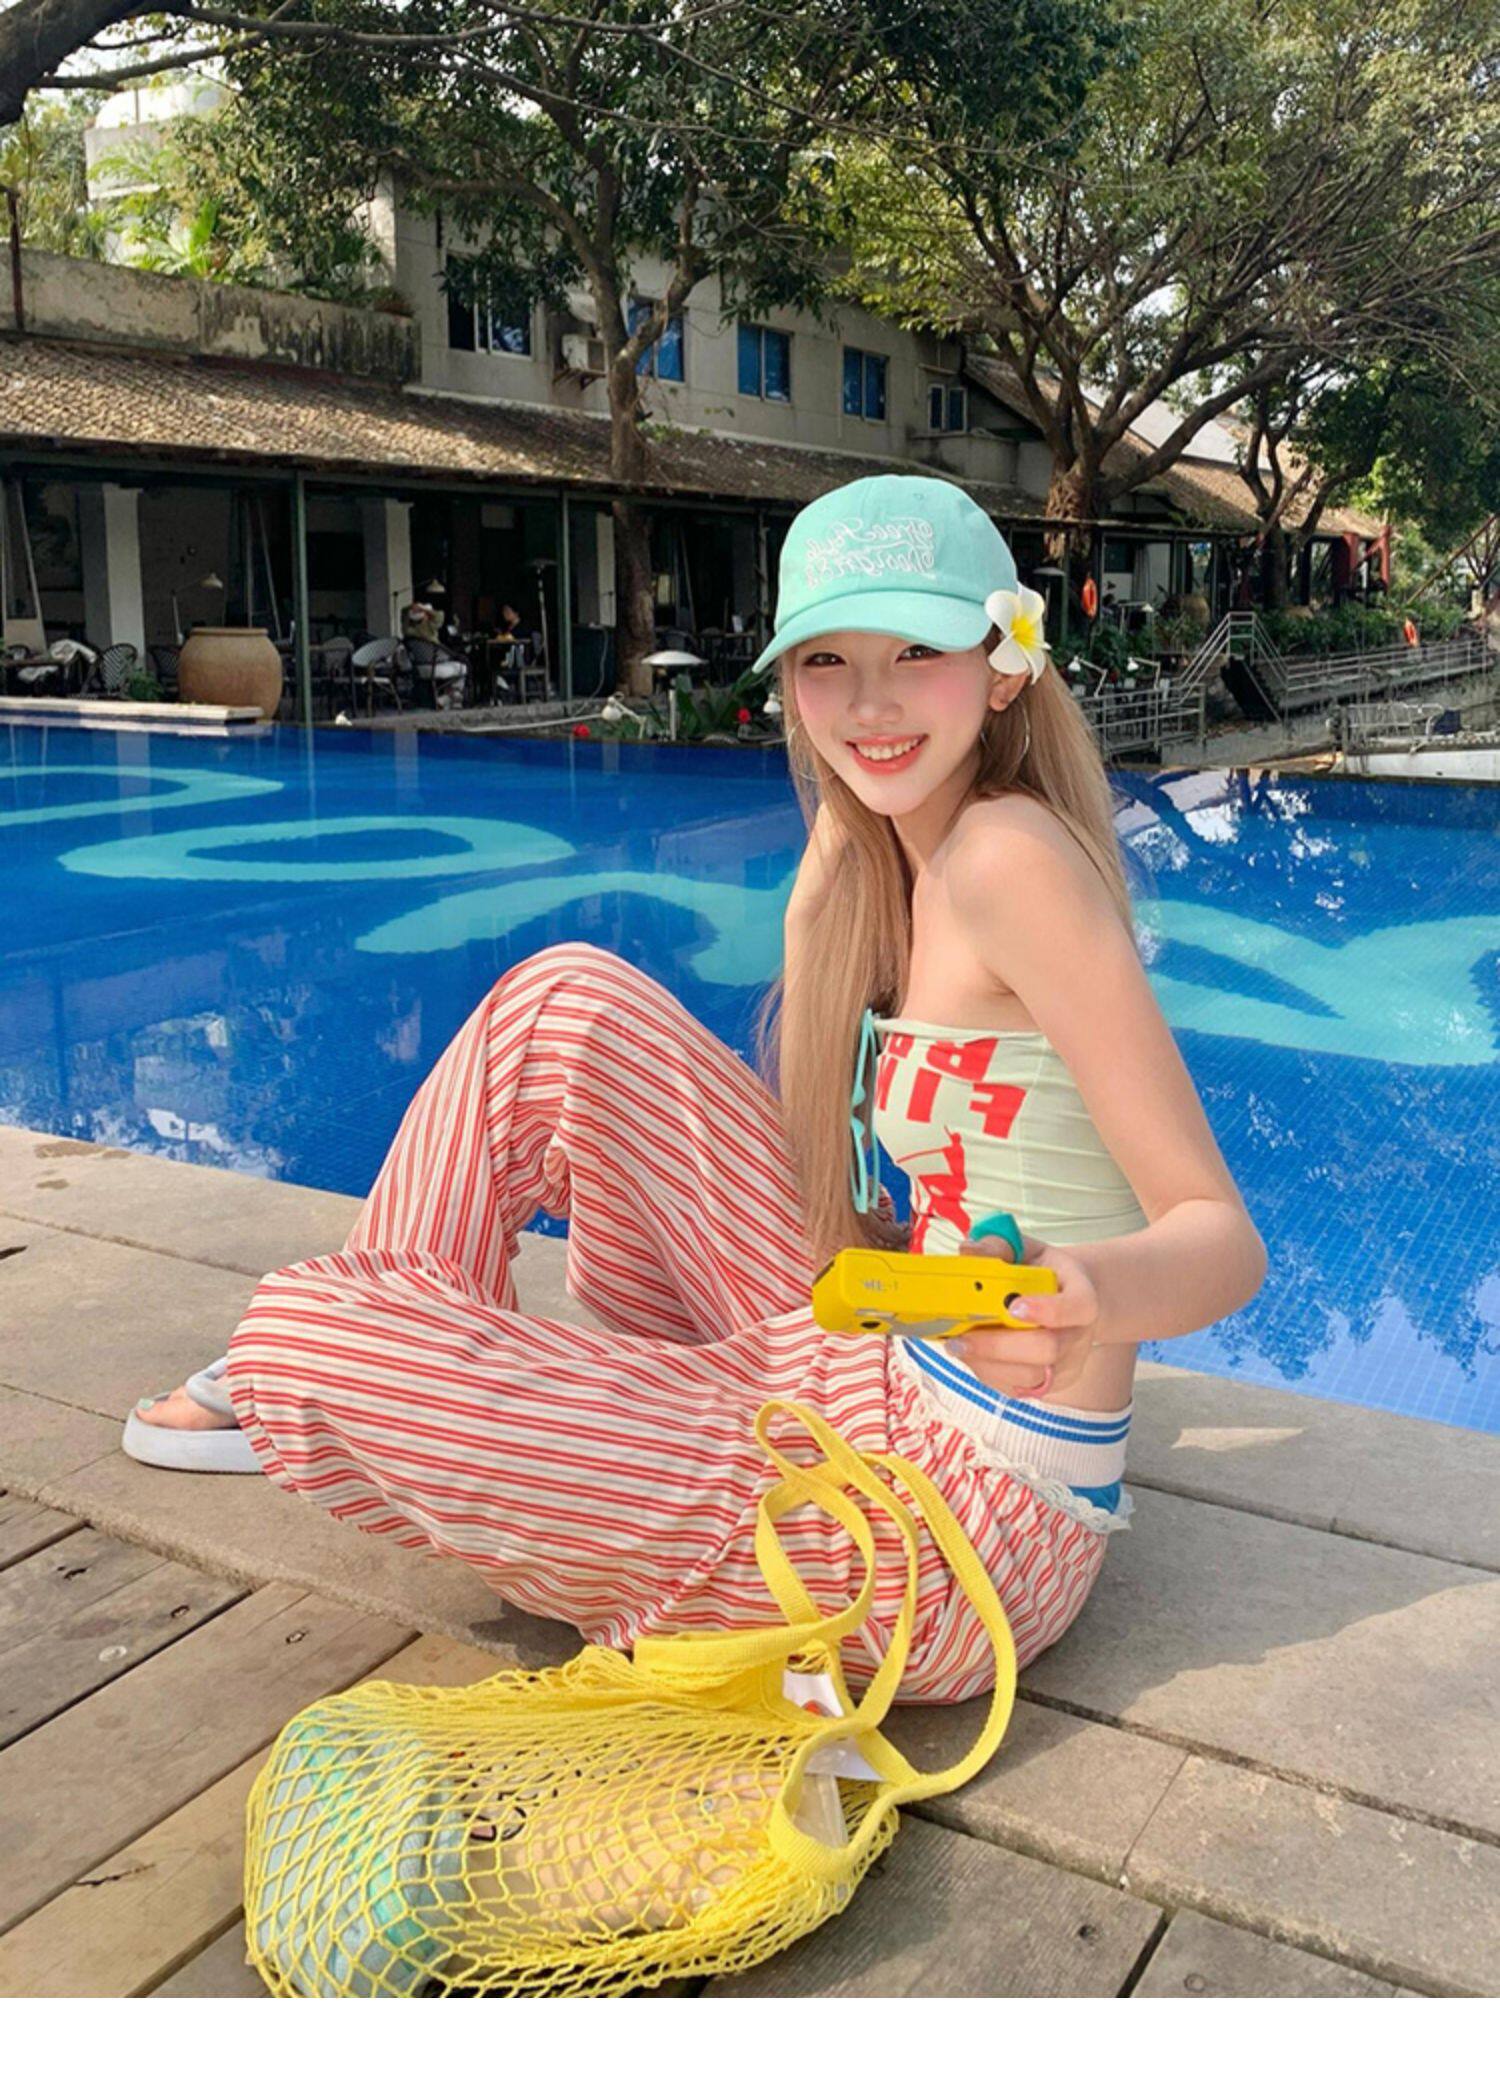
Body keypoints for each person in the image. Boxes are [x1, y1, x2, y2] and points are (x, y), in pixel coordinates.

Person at [122, 474, 1267, 1702]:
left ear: (1000, 669)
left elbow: (1221, 1239)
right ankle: (410, 1350)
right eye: (827, 660)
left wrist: (1078, 1294)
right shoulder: (886, 849)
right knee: (566, 1001)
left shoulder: (1008, 858)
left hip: (954, 1529)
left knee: (297, 1336)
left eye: (915, 653)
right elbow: (824, 1174)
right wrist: (825, 887)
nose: (869, 702)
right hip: (867, 1363)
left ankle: (388, 1369)